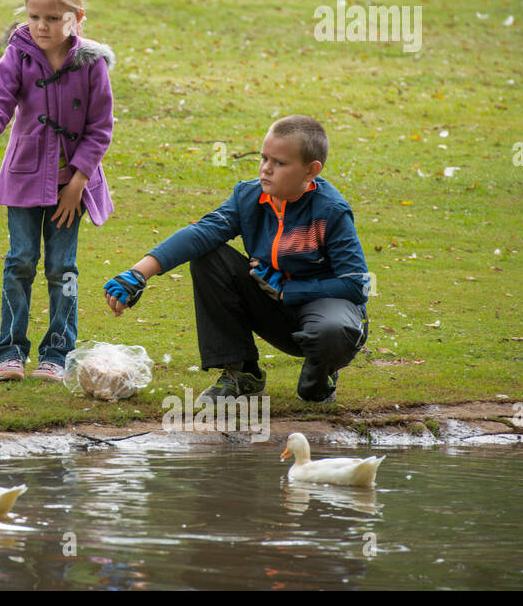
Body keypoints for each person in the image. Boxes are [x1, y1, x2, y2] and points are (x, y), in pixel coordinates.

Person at [104, 115, 370, 404]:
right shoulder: (248, 197)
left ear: (311, 170)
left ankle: (320, 376)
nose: (266, 169)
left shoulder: (331, 211)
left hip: (323, 316)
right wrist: (139, 273)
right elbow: (202, 232)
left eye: (279, 163)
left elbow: (356, 285)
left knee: (332, 332)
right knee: (208, 255)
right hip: (274, 309)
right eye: (264, 158)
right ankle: (243, 373)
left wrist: (288, 290)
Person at [0, 0, 115, 384]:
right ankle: (11, 351)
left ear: (77, 17)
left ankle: (58, 352)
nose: (41, 25)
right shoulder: (17, 55)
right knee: (19, 261)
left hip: (70, 187)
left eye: (53, 18)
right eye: (34, 16)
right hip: (23, 179)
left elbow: (100, 129)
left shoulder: (92, 65)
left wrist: (77, 182)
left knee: (63, 268)